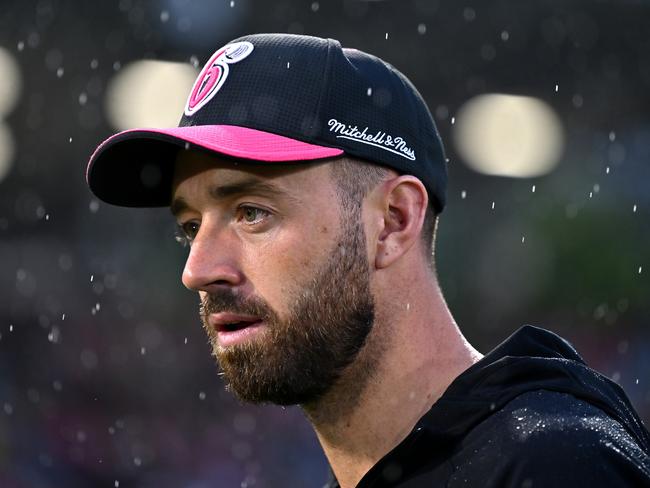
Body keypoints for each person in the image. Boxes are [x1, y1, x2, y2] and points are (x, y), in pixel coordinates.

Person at [86, 33, 650, 487]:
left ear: (394, 221)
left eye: (252, 212)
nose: (198, 269)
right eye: (190, 227)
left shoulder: (554, 464)